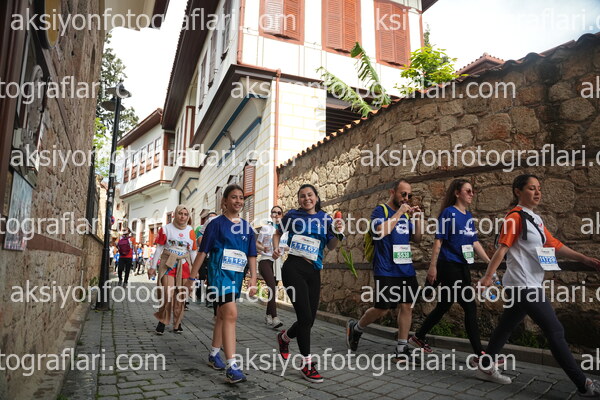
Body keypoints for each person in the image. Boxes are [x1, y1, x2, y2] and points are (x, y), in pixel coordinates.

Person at [476, 174, 600, 396]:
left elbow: (554, 245)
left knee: (506, 326)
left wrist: (584, 259)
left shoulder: (535, 219)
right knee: (555, 330)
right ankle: (583, 384)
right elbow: (502, 249)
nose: (537, 192)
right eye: (531, 188)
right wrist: (487, 277)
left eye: (539, 188)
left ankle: (486, 366)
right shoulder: (514, 218)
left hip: (528, 283)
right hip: (523, 285)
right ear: (518, 191)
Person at [408, 179, 491, 362]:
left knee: (443, 305)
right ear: (457, 193)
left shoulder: (467, 216)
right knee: (469, 306)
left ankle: (418, 337)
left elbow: (474, 242)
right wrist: (432, 267)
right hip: (449, 265)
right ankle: (480, 355)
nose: (471, 194)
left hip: (462, 266)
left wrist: (489, 261)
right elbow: (438, 241)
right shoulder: (448, 213)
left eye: (472, 191)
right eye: (468, 191)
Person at [346, 179, 423, 363]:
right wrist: (400, 212)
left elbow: (417, 238)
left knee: (407, 305)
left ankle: (401, 349)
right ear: (392, 192)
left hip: (405, 268)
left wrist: (418, 219)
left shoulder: (405, 216)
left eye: (409, 195)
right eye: (403, 194)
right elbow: (381, 231)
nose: (406, 198)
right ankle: (356, 328)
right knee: (382, 308)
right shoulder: (381, 211)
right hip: (386, 269)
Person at [272, 184, 343, 383]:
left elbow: (331, 246)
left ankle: (284, 338)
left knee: (309, 320)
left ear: (316, 197)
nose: (306, 199)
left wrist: (338, 233)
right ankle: (306, 364)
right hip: (293, 268)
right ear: (299, 200)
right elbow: (277, 233)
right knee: (304, 317)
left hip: (314, 272)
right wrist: (276, 248)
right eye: (302, 196)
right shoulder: (292, 216)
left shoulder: (326, 218)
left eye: (310, 195)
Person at [190, 185, 258, 384]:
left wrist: (253, 278)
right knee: (230, 313)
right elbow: (203, 252)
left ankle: (213, 354)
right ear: (225, 201)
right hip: (218, 275)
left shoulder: (247, 227)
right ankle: (232, 366)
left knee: (222, 314)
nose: (238, 201)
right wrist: (191, 278)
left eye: (241, 198)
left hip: (236, 277)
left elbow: (252, 254)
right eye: (234, 197)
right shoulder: (215, 224)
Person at [148, 205, 197, 335]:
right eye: (180, 213)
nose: (182, 216)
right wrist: (152, 267)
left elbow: (193, 251)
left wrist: (195, 269)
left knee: (181, 296)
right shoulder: (166, 229)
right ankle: (162, 321)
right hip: (168, 265)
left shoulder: (190, 231)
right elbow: (159, 248)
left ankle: (177, 323)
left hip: (184, 265)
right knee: (167, 294)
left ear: (188, 217)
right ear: (175, 214)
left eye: (185, 214)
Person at [256, 206, 286, 329]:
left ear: (282, 215)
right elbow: (257, 243)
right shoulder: (266, 228)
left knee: (273, 288)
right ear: (270, 215)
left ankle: (268, 314)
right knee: (272, 286)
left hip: (277, 262)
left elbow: (286, 246)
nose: (276, 214)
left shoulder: (284, 231)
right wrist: (263, 248)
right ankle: (275, 318)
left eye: (279, 212)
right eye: (274, 212)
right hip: (265, 260)